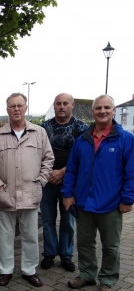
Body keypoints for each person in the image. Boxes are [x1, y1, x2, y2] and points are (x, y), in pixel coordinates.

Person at [63, 94, 134, 291]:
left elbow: (131, 172)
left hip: (111, 204)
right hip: (84, 202)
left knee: (111, 246)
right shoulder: (82, 140)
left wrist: (128, 199)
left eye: (106, 108)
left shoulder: (126, 140)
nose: (102, 111)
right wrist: (68, 195)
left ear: (113, 111)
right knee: (84, 242)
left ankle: (108, 279)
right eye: (98, 108)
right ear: (92, 112)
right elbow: (72, 171)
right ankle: (86, 274)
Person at [0, 93, 54, 287]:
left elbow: (48, 159)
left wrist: (41, 181)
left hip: (30, 192)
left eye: (19, 105)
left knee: (30, 235)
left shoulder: (39, 133)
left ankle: (29, 269)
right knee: (5, 235)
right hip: (5, 193)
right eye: (12, 106)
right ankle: (5, 270)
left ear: (26, 108)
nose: (16, 109)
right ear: (7, 109)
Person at [40, 93, 88, 272]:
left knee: (68, 219)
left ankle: (66, 255)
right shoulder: (44, 128)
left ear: (72, 105)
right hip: (47, 179)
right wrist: (50, 173)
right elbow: (37, 153)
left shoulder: (81, 128)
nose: (61, 106)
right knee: (47, 219)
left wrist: (62, 172)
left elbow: (85, 156)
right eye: (58, 103)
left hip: (70, 181)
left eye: (65, 103)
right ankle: (49, 253)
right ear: (54, 105)